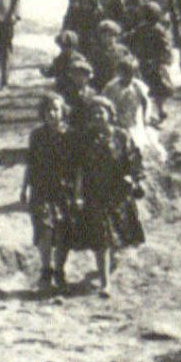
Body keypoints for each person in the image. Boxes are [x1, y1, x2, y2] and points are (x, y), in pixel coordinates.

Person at [65, 96, 145, 298]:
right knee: (101, 239)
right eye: (94, 113)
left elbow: (134, 160)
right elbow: (78, 169)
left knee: (116, 235)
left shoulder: (122, 137)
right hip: (94, 194)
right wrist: (77, 194)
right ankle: (105, 283)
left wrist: (135, 180)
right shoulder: (85, 139)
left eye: (102, 112)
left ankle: (112, 259)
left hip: (118, 194)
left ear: (111, 114)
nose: (98, 116)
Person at [20, 92, 73, 291]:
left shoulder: (70, 135)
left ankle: (60, 271)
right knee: (44, 230)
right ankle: (45, 270)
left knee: (63, 232)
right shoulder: (37, 135)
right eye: (48, 110)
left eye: (56, 109)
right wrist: (24, 188)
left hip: (63, 189)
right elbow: (30, 163)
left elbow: (77, 168)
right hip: (41, 188)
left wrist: (77, 192)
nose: (52, 113)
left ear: (63, 112)